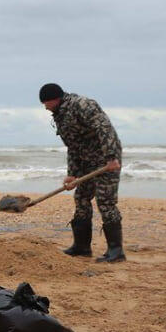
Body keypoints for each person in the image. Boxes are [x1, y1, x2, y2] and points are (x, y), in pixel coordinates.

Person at [39, 83, 125, 262]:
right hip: (86, 161)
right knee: (81, 198)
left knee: (105, 201)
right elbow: (73, 146)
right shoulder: (60, 115)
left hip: (106, 159)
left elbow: (104, 128)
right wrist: (72, 174)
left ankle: (116, 252)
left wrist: (110, 157)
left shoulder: (82, 105)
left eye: (45, 103)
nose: (45, 107)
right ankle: (82, 247)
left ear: (54, 99)